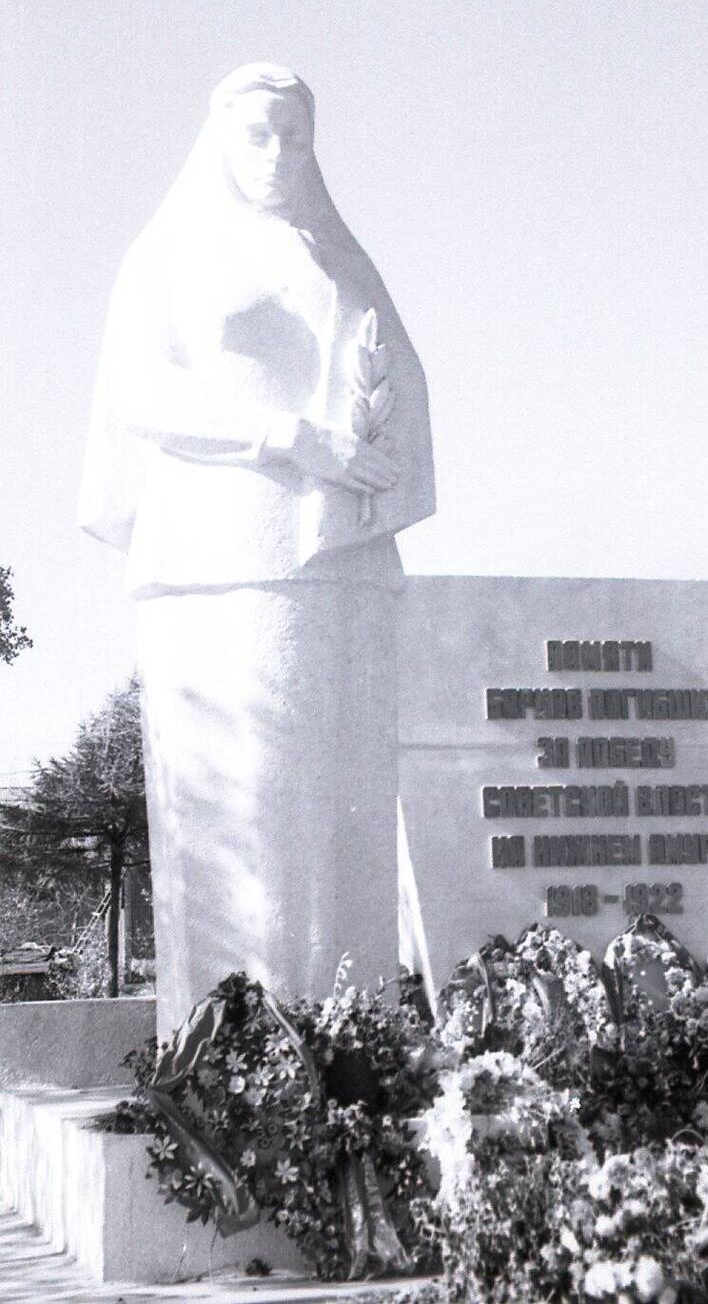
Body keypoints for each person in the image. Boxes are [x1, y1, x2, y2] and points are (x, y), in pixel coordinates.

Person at [79, 63, 434, 1038]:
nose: (277, 155)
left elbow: (396, 379)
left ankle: (352, 1047)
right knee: (248, 810)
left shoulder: (336, 256)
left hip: (338, 562)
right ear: (221, 141)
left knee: (337, 819)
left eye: (295, 136)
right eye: (258, 135)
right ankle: (237, 1055)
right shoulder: (172, 254)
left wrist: (375, 441)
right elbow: (140, 396)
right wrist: (289, 437)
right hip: (220, 555)